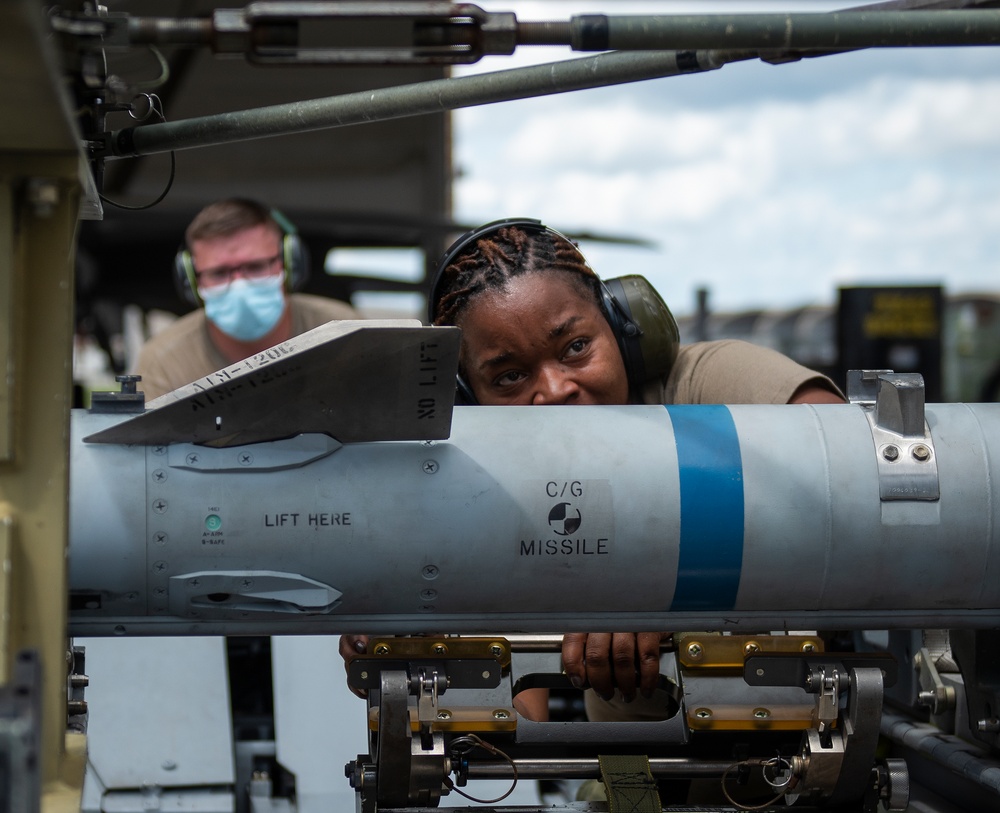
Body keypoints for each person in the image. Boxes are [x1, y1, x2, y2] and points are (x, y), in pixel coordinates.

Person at [339, 217, 844, 723]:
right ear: (469, 399)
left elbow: (845, 464)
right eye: (510, 376)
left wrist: (664, 596)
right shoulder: (489, 492)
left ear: (624, 327)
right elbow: (514, 721)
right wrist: (425, 665)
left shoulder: (705, 387)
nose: (556, 390)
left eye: (576, 348)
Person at [134, 198, 360, 399]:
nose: (239, 284)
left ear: (289, 264)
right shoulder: (164, 363)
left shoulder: (344, 332)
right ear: (194, 281)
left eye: (256, 266)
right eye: (219, 273)